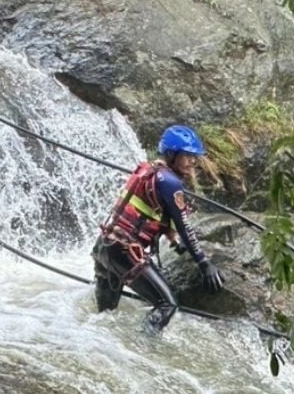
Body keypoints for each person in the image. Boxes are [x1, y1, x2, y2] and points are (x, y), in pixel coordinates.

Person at [92, 125, 224, 331]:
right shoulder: (170, 182)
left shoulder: (149, 171)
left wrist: (172, 240)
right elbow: (184, 226)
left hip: (104, 247)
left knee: (103, 320)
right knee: (167, 304)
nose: (193, 161)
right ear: (171, 155)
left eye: (194, 156)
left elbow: (155, 214)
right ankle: (142, 348)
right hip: (124, 251)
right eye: (187, 156)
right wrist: (204, 263)